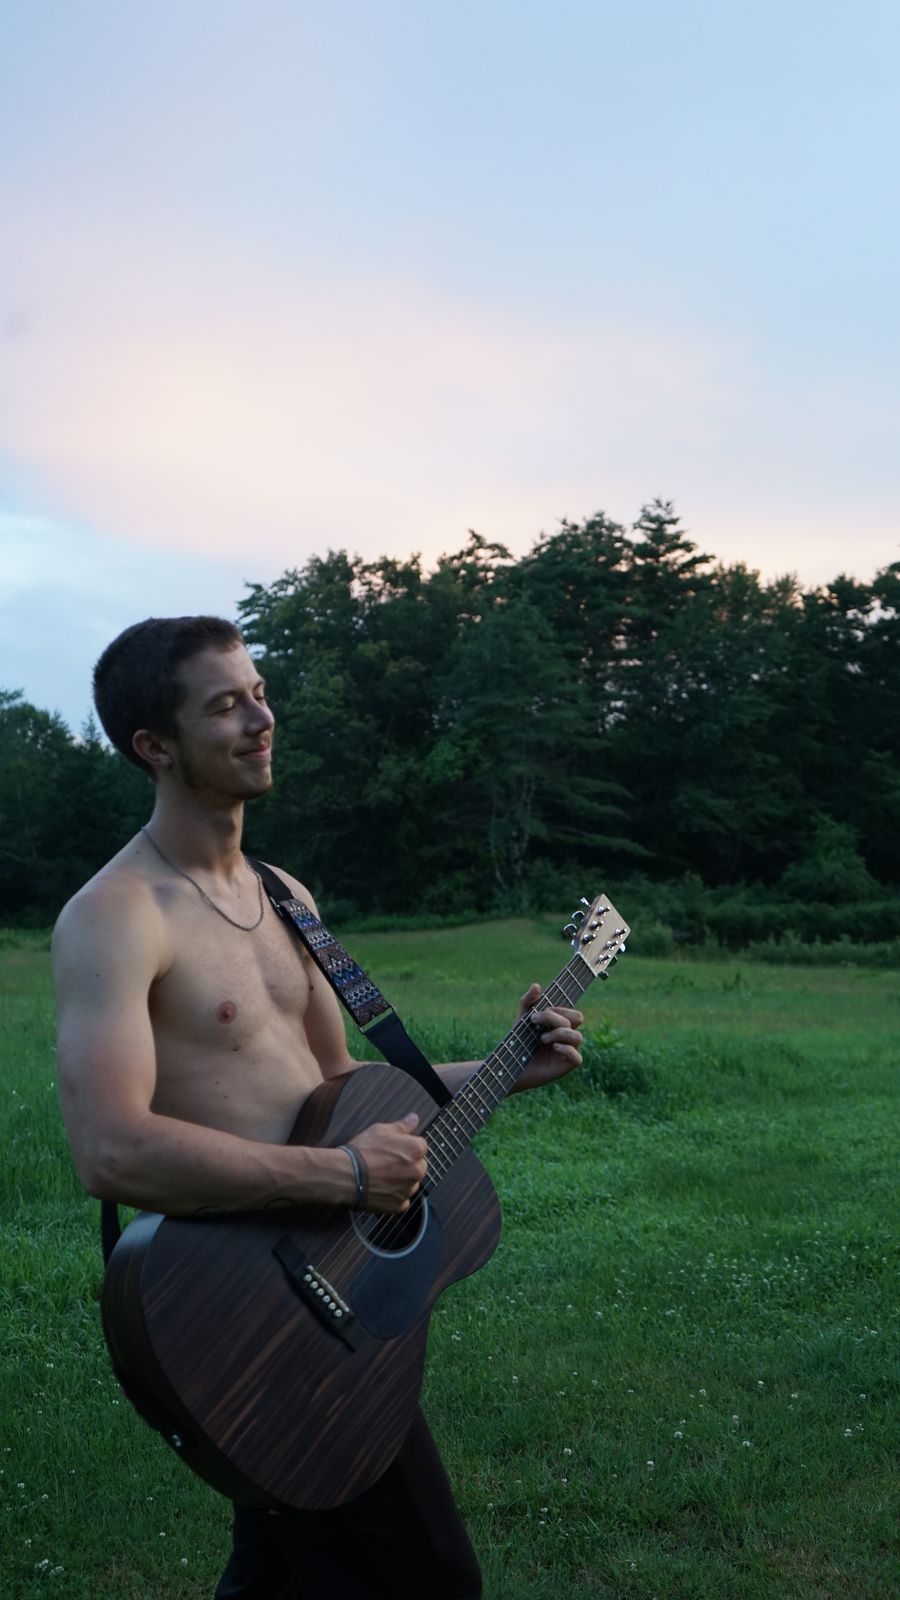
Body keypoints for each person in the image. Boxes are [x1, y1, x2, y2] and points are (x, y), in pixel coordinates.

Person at [53, 615, 585, 1600]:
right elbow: (111, 1151)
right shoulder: (114, 916)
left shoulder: (286, 895)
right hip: (237, 1305)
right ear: (154, 746)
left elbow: (343, 1090)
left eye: (259, 694)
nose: (262, 719)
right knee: (429, 1576)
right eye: (226, 706)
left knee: (292, 1566)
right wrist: (343, 1175)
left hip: (324, 1294)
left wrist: (508, 1064)